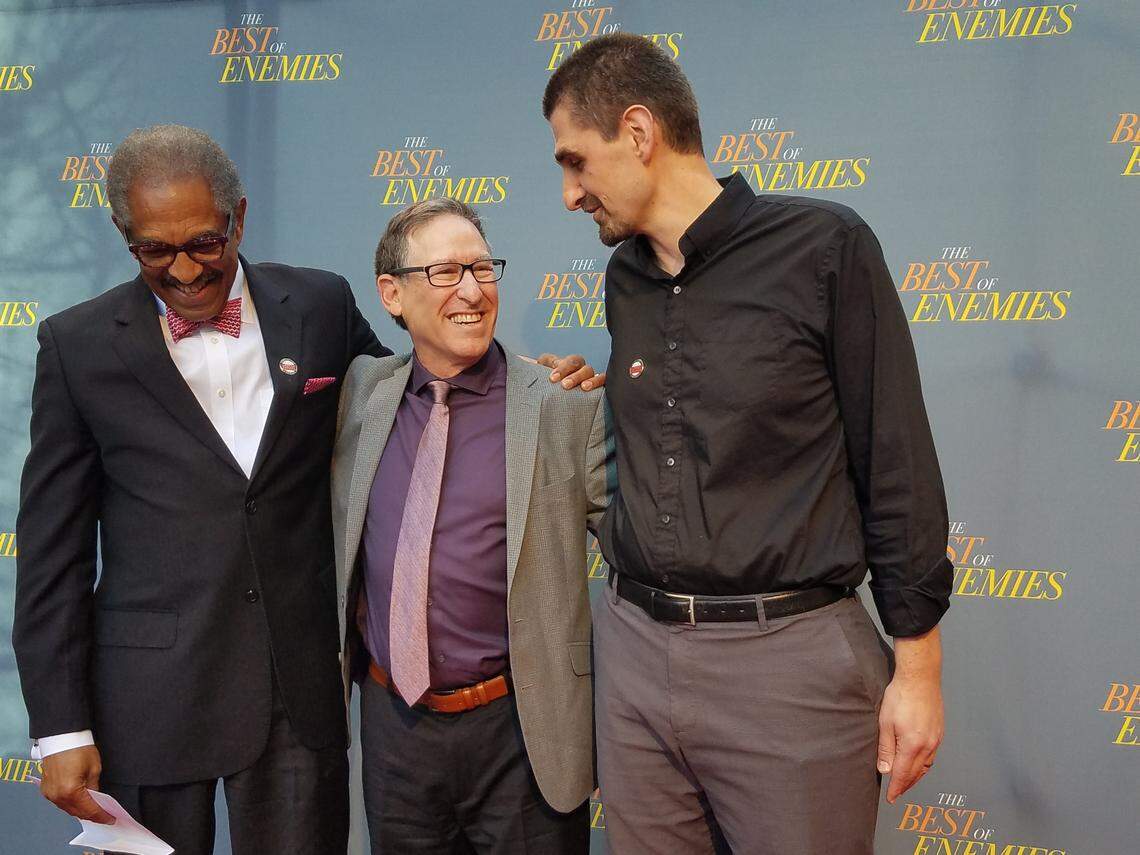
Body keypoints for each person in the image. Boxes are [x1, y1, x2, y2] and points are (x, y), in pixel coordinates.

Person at [12, 124, 595, 855]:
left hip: (297, 696)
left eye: (204, 244)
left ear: (240, 220)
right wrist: (61, 724)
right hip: (146, 702)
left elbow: (413, 406)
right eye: (156, 251)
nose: (187, 270)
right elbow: (50, 555)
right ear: (126, 239)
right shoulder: (78, 346)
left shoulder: (318, 306)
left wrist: (537, 387)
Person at [542, 34, 953, 854]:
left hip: (789, 666)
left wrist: (920, 669)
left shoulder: (826, 247)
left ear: (637, 131)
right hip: (631, 652)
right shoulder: (624, 278)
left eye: (575, 161)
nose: (569, 193)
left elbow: (895, 456)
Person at [331, 197, 612, 854]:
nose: (472, 291)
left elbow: (648, 550)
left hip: (521, 733)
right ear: (391, 294)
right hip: (394, 730)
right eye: (446, 272)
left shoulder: (566, 409)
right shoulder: (358, 395)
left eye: (483, 269)